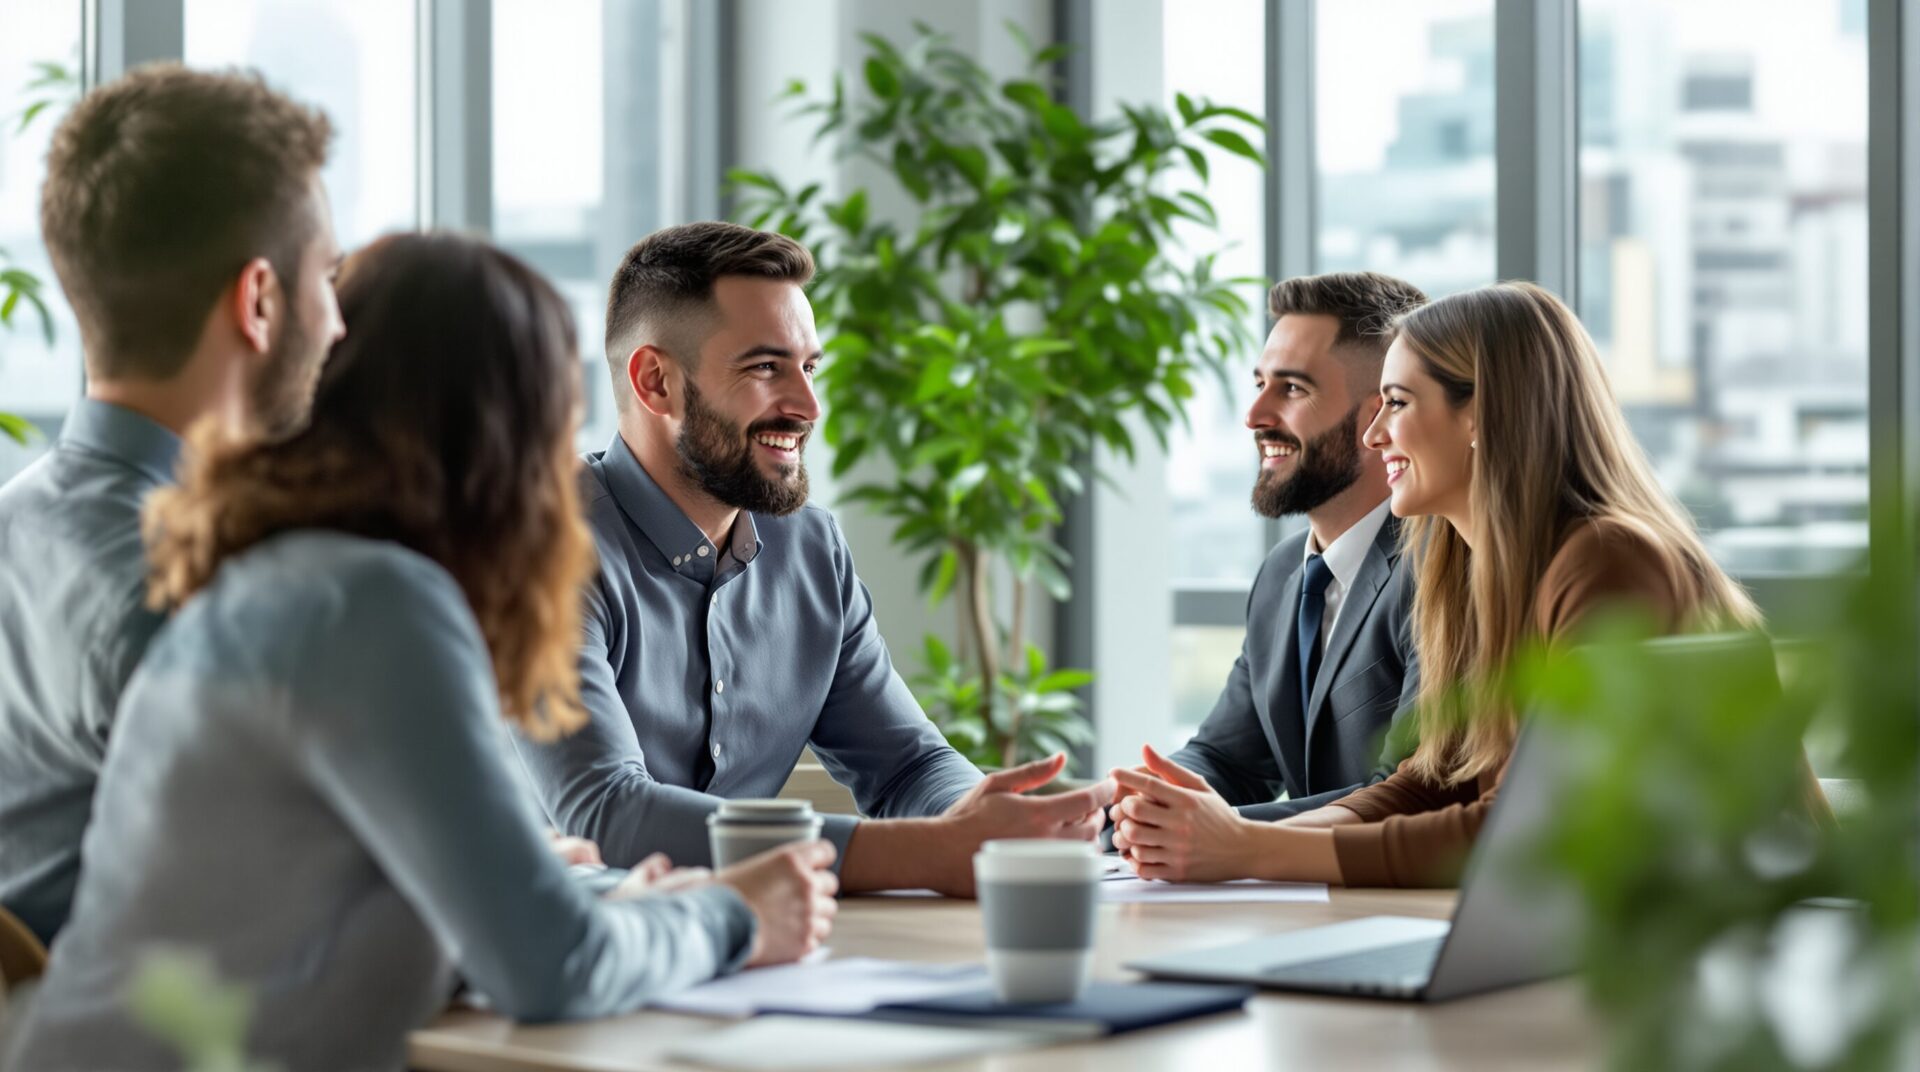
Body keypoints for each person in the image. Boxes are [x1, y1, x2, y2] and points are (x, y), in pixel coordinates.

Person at [5, 234, 837, 1071]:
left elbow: (325, 903)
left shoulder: (286, 583)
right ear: (502, 432)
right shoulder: (376, 606)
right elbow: (551, 967)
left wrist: (585, 896)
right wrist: (736, 914)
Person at [512, 221, 1113, 897]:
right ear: (656, 383)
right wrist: (928, 853)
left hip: (761, 949)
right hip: (557, 967)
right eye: (765, 368)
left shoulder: (811, 550)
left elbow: (907, 767)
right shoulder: (537, 548)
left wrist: (991, 823)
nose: (807, 405)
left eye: (809, 367)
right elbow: (606, 817)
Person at [1111, 281, 1768, 887]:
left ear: (1481, 415)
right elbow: (1425, 784)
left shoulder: (1608, 560)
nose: (1373, 434)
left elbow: (1530, 830)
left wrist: (1247, 849)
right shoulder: (1466, 571)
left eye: (1396, 404)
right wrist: (1226, 838)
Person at [0, 66, 345, 946]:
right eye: (327, 279)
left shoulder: (19, 519)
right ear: (259, 300)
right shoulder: (181, 595)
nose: (337, 323)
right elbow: (283, 941)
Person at [1107, 273, 1428, 881]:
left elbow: (1409, 794)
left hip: (1401, 914)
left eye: (1292, 388)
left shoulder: (1442, 566)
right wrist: (1130, 804)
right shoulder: (1283, 574)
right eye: (1259, 384)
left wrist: (1222, 837)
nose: (1255, 415)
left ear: (1376, 417)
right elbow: (1227, 757)